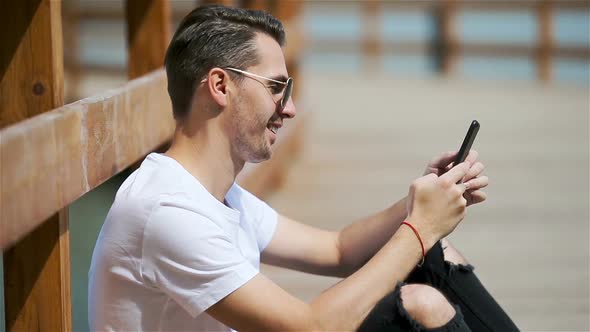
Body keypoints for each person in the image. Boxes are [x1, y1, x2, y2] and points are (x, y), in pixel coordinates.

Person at [88, 4, 519, 332]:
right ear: (220, 85)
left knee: (436, 257)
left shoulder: (213, 195)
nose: (290, 108)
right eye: (277, 87)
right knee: (421, 303)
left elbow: (338, 249)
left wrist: (421, 201)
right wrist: (419, 229)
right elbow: (307, 327)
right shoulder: (167, 211)